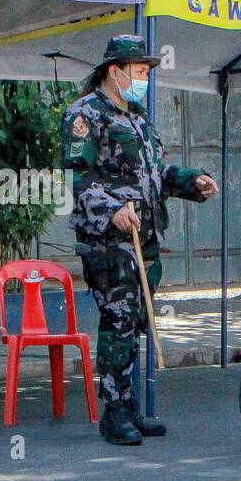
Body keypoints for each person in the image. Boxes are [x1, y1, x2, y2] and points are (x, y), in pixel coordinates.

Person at [61, 35, 217, 446]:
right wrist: (111, 208)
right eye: (140, 71)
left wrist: (192, 182)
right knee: (118, 323)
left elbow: (156, 176)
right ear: (115, 71)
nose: (145, 78)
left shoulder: (139, 119)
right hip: (109, 242)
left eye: (147, 72)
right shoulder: (85, 115)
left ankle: (128, 407)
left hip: (144, 240)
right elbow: (78, 178)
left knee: (134, 325)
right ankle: (114, 414)